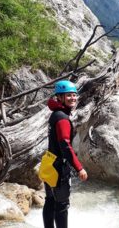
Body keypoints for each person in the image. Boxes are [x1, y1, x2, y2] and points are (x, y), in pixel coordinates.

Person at [43, 80, 88, 228]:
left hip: (49, 163)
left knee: (50, 200)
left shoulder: (55, 114)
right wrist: (79, 167)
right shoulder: (62, 118)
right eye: (69, 95)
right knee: (61, 206)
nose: (73, 98)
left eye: (74, 95)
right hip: (58, 168)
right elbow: (65, 145)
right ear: (60, 97)